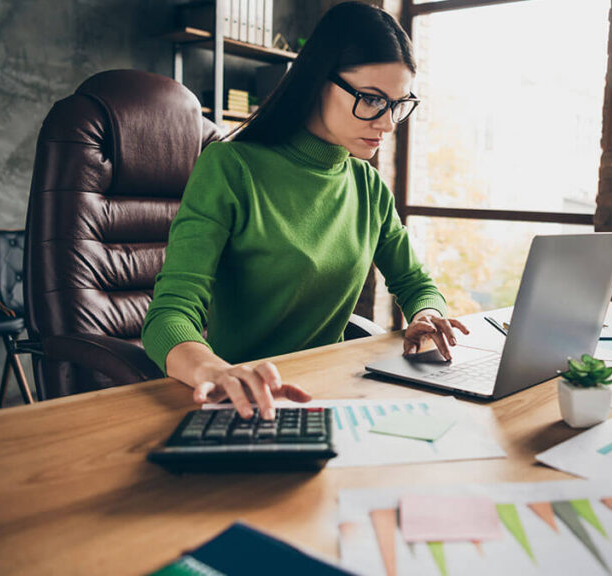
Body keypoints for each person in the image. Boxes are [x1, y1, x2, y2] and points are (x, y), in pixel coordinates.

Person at [142, 2, 467, 421]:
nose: (387, 124)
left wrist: (427, 314)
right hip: (244, 403)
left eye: (398, 105)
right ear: (317, 81)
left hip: (334, 395)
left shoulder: (367, 186)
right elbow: (169, 314)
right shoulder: (230, 168)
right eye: (371, 100)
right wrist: (215, 370)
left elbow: (414, 281)